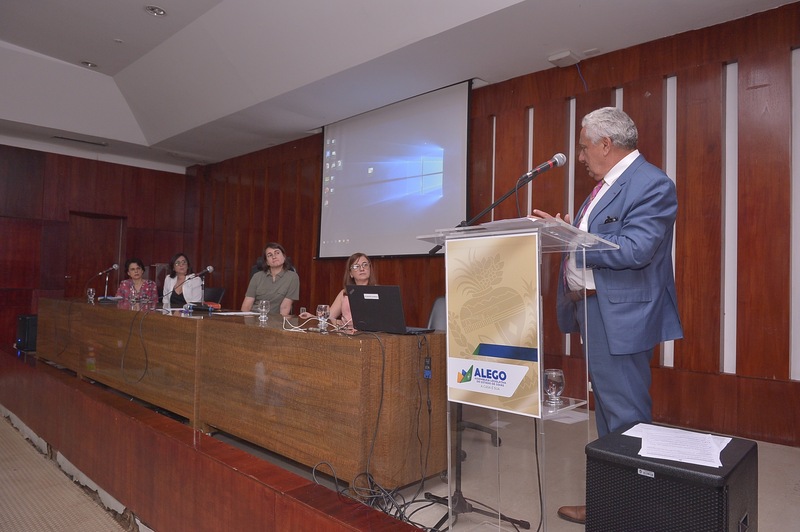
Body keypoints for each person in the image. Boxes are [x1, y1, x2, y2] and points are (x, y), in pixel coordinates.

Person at [533, 107, 683, 525]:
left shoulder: (652, 184)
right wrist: (568, 234)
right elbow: (598, 239)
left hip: (621, 315)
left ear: (606, 144)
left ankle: (632, 514)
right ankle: (610, 503)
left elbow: (636, 249)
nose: (580, 156)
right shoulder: (605, 187)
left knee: (626, 417)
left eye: (584, 147)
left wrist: (573, 237)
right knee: (608, 415)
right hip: (594, 311)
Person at [300, 252, 377, 328]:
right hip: (347, 333)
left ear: (370, 269)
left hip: (372, 334)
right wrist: (312, 317)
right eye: (356, 266)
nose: (362, 269)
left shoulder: (379, 292)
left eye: (365, 265)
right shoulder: (344, 293)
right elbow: (329, 317)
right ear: (351, 273)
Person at [241, 242, 299, 316]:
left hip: (276, 319)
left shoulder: (292, 277)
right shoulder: (257, 276)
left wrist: (279, 322)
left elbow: (285, 307)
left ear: (284, 257)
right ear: (267, 262)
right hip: (254, 317)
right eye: (270, 255)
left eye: (277, 253)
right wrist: (246, 321)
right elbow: (246, 306)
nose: (274, 257)